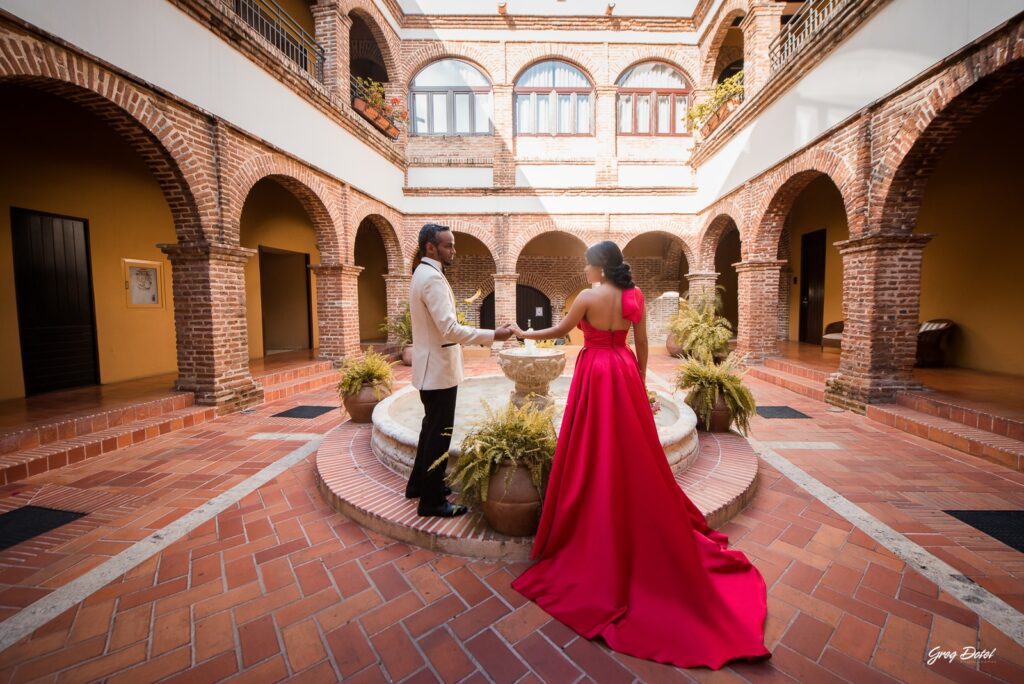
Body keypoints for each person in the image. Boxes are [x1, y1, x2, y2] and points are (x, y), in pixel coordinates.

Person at [508, 240, 772, 669]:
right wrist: (640, 378)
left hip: (595, 371)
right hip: (624, 369)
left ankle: (596, 502)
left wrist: (523, 333)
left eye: (588, 264)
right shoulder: (634, 296)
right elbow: (643, 342)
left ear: (598, 266)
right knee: (631, 447)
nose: (586, 269)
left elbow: (558, 334)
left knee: (593, 444)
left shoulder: (588, 297)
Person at [407, 223, 515, 517]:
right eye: (448, 245)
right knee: (439, 434)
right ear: (431, 247)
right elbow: (450, 329)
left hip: (430, 369)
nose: (453, 250)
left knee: (430, 430)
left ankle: (419, 484)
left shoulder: (423, 273)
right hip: (438, 371)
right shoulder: (432, 279)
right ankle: (431, 502)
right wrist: (495, 335)